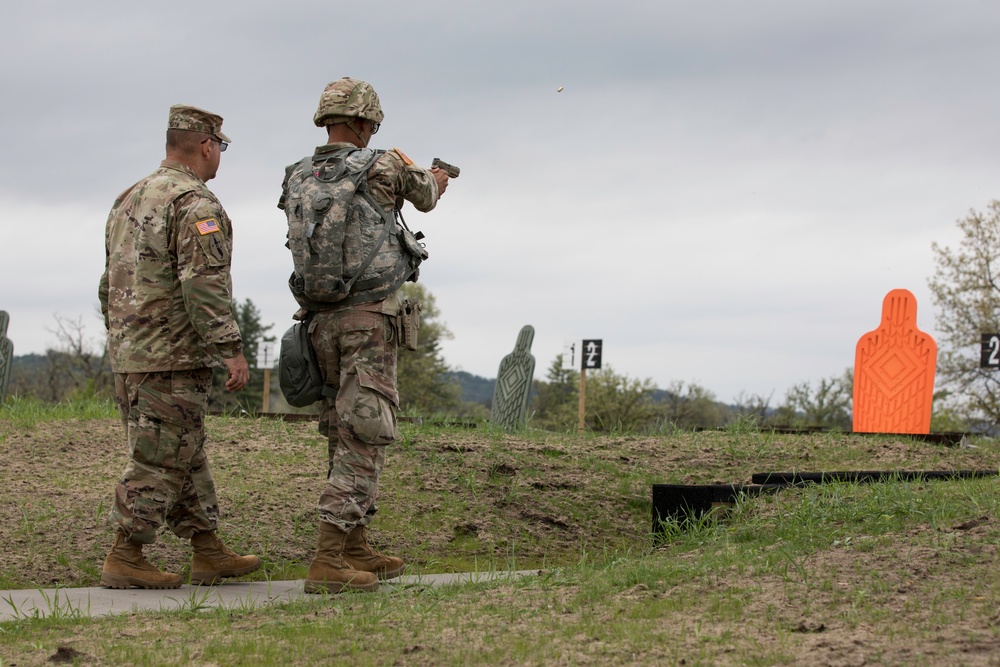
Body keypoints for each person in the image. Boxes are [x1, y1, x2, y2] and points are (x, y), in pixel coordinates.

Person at [278, 77, 451, 593]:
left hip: (318, 322)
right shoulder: (383, 165)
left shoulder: (297, 174)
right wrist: (437, 176)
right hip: (368, 322)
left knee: (340, 427)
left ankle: (354, 544)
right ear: (364, 122)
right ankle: (329, 557)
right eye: (373, 123)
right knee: (366, 433)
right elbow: (426, 198)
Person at [97, 104, 261, 589]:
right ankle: (125, 554)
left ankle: (207, 549)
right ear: (206, 145)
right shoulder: (196, 204)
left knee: (183, 450)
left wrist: (123, 339)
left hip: (131, 353)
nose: (220, 156)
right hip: (172, 356)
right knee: (160, 457)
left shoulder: (129, 199)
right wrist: (230, 348)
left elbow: (108, 281)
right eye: (221, 147)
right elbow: (204, 286)